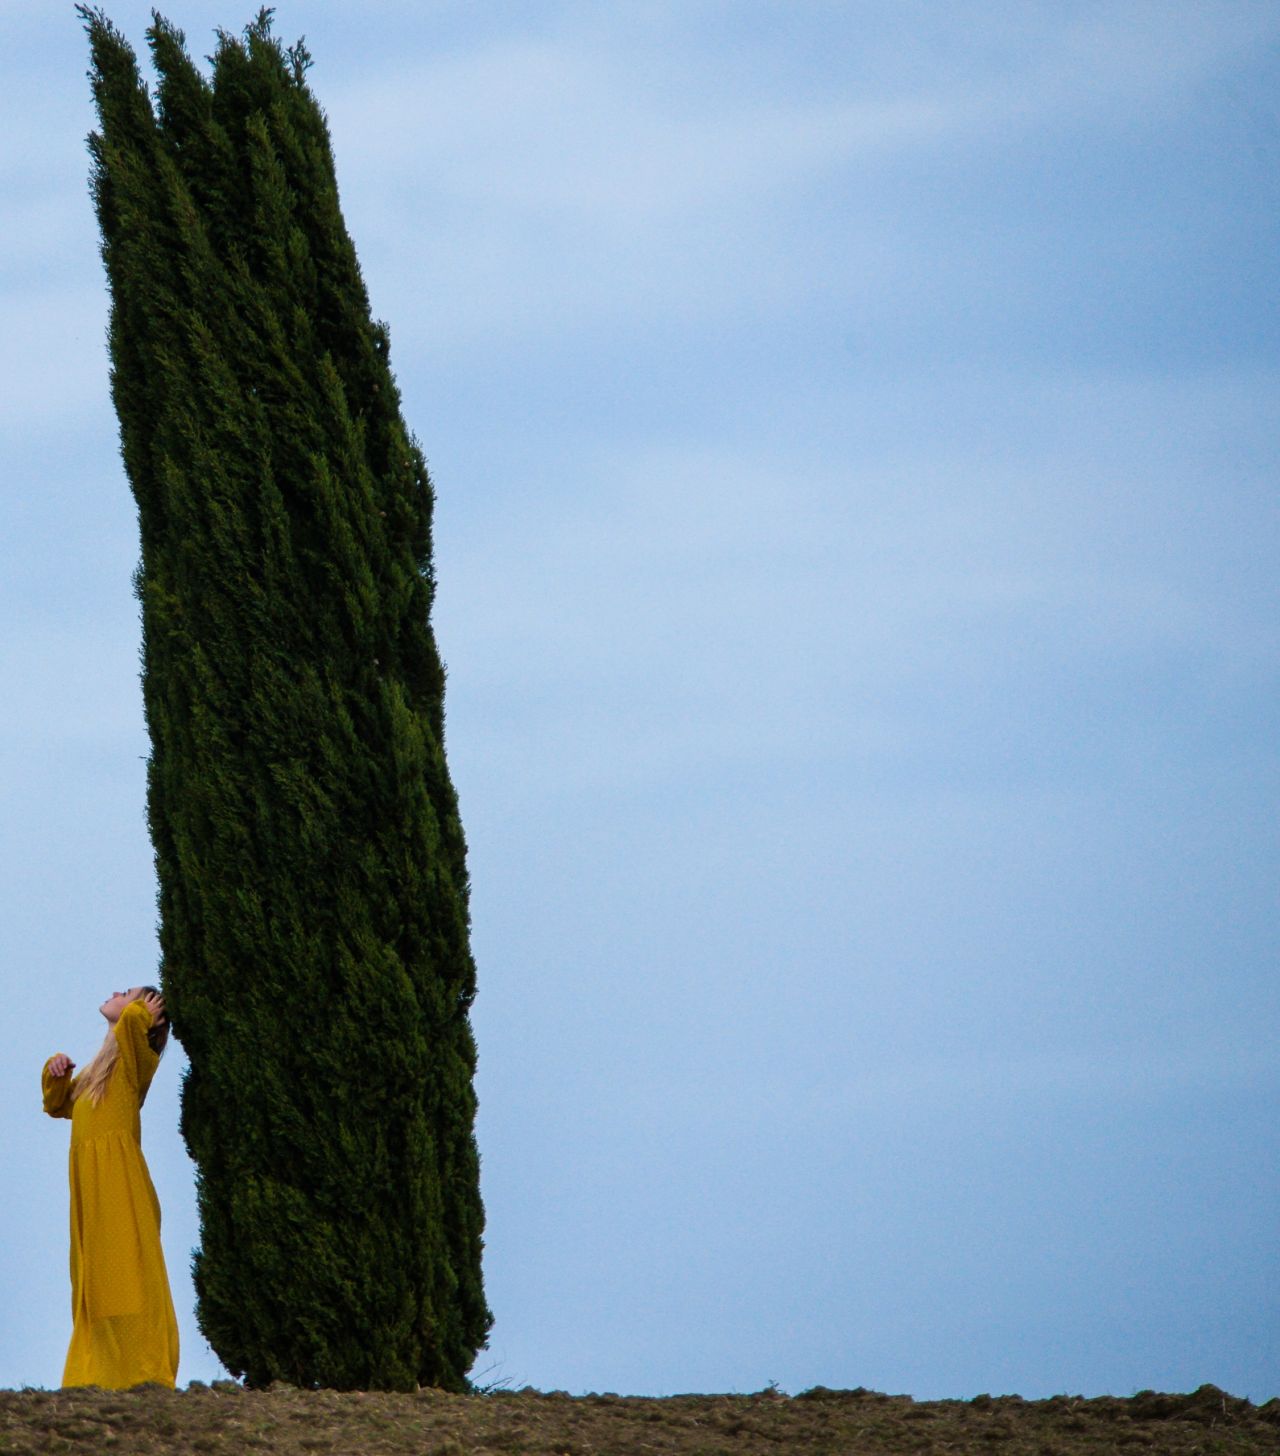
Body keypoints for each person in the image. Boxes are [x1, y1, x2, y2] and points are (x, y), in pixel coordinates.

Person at [42, 986, 180, 1389]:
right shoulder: (97, 1071)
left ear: (144, 1013)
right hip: (91, 1181)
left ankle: (143, 1367)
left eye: (129, 993)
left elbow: (133, 1030)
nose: (117, 992)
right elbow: (59, 1105)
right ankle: (100, 1369)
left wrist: (144, 1014)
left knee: (127, 1272)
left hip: (119, 1179)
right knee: (96, 1277)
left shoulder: (138, 1059)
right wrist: (56, 1071)